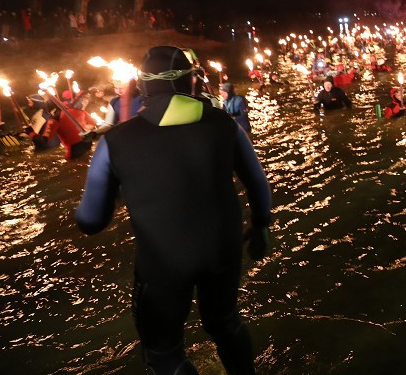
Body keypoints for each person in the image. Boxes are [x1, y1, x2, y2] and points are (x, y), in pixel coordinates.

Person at [75, 46, 271, 375]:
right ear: (191, 83)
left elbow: (91, 221)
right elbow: (257, 182)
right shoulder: (224, 123)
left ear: (142, 87)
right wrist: (262, 225)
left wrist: (116, 189)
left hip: (162, 263)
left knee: (164, 353)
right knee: (225, 323)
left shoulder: (115, 141)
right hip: (222, 251)